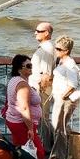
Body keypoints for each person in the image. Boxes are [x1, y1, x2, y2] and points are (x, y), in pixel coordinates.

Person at [4, 54, 45, 159]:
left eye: (31, 65)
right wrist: (30, 128)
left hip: (15, 121)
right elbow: (24, 108)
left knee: (21, 152)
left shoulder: (14, 80)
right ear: (19, 68)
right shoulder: (22, 84)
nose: (31, 68)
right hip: (22, 124)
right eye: (28, 66)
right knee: (38, 154)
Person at [47, 35, 80, 159]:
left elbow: (73, 84)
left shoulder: (70, 65)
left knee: (59, 127)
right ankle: (69, 151)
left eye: (59, 49)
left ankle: (58, 155)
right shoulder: (61, 61)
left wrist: (62, 96)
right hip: (61, 98)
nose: (56, 50)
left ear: (66, 51)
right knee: (60, 126)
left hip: (65, 99)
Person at [30, 22, 54, 152]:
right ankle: (48, 144)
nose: (35, 32)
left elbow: (45, 74)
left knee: (42, 117)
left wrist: (39, 93)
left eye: (38, 31)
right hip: (40, 89)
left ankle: (46, 147)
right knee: (42, 117)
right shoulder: (45, 48)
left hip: (42, 90)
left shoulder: (46, 49)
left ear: (46, 33)